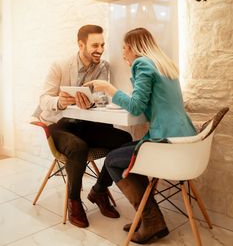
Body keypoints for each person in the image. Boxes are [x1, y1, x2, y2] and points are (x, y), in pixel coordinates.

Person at [85, 27, 196, 244]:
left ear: (134, 47)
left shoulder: (142, 63)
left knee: (113, 161)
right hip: (185, 141)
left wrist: (109, 88)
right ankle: (149, 218)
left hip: (167, 142)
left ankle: (151, 220)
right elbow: (146, 107)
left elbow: (136, 109)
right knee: (121, 155)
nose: (123, 53)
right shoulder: (164, 64)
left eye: (125, 48)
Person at [39, 24, 132, 229]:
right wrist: (59, 102)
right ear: (80, 44)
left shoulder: (103, 67)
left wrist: (93, 101)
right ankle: (74, 201)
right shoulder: (60, 65)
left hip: (86, 125)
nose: (100, 49)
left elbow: (102, 98)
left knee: (125, 141)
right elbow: (43, 99)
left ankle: (99, 190)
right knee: (78, 147)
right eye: (95, 45)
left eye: (102, 44)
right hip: (60, 126)